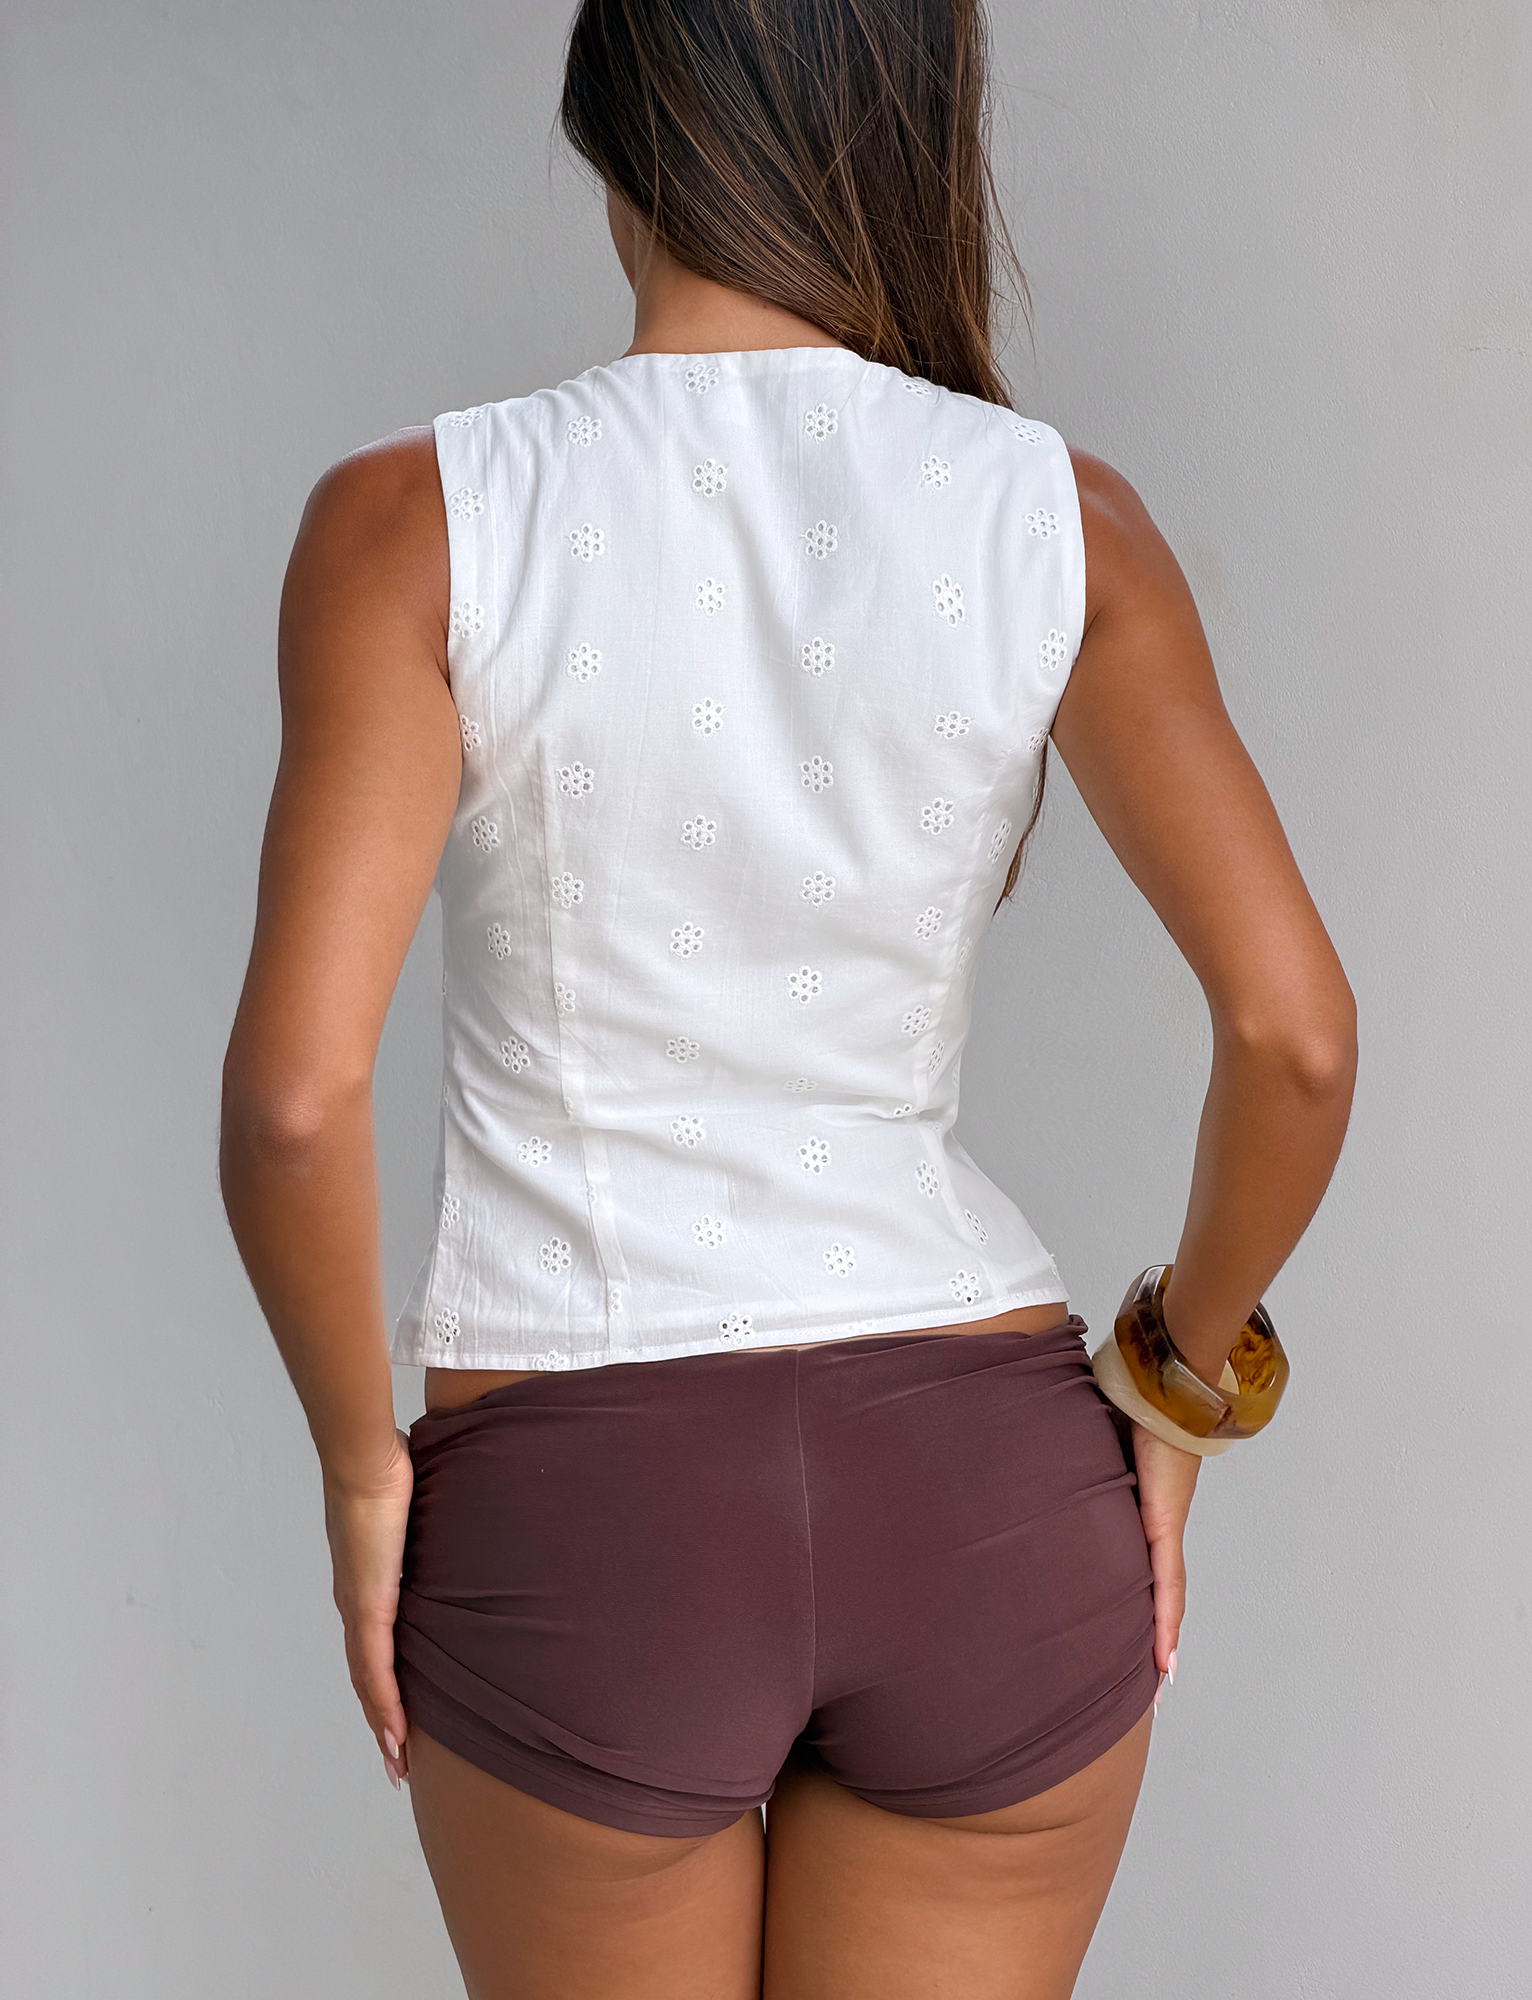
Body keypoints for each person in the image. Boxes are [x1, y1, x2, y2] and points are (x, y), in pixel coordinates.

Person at [219, 3, 1357, 1993]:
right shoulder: (1060, 521)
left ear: (608, 127)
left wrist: (358, 1471)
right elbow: (1297, 1035)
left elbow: (299, 1100)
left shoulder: (414, 520)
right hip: (992, 1499)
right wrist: (1173, 1403)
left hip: (587, 1499)